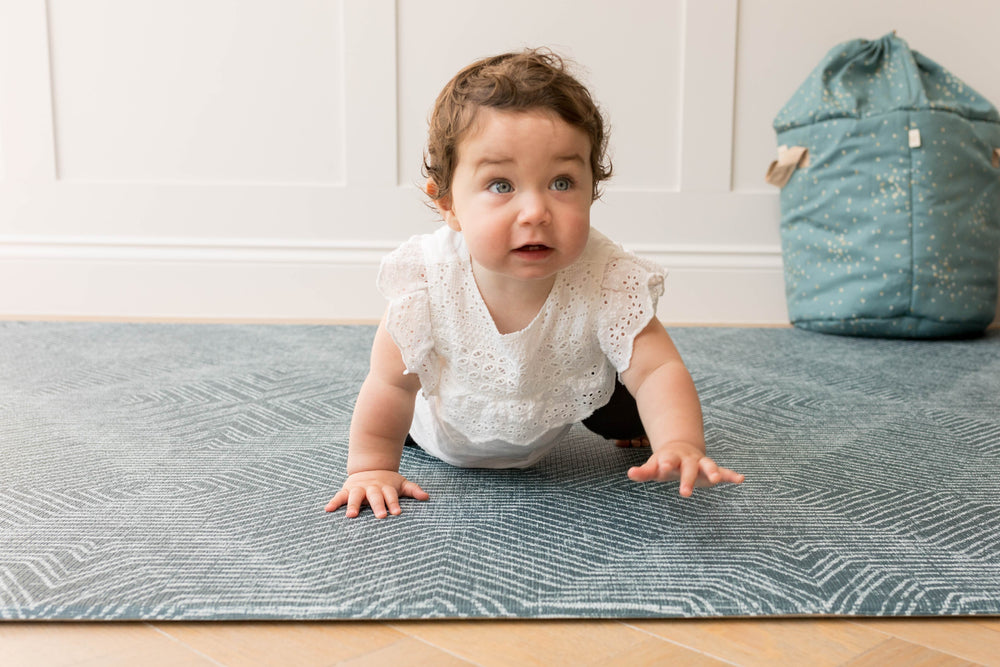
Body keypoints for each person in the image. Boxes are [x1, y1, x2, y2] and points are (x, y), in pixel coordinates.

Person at [326, 49, 744, 519]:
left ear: (592, 189)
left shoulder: (605, 275)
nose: (536, 212)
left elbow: (658, 369)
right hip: (440, 424)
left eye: (562, 183)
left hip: (552, 394)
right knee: (398, 402)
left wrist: (681, 442)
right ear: (448, 204)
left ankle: (634, 424)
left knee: (629, 376)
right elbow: (389, 385)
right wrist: (371, 468)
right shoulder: (428, 279)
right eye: (501, 185)